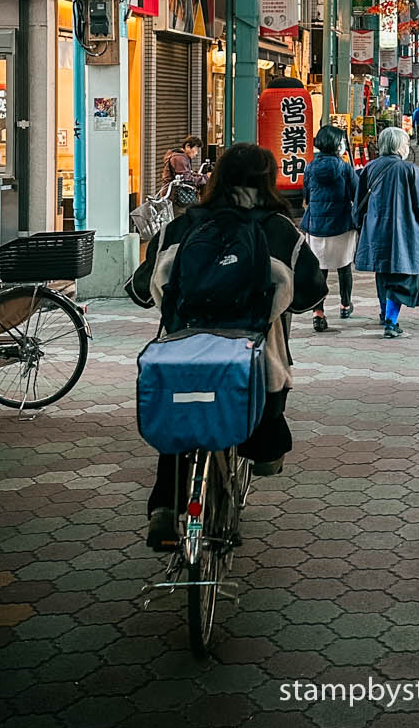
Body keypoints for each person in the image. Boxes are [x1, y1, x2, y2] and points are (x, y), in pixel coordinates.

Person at [133, 142, 327, 550]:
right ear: (267, 181)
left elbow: (139, 288)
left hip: (183, 354)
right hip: (254, 359)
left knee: (182, 428)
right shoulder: (279, 230)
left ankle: (165, 510)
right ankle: (260, 455)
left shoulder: (184, 226)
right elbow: (311, 292)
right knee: (261, 426)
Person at [354, 126, 419, 338]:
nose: (407, 147)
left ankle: (384, 312)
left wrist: (360, 226)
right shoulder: (409, 170)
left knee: (383, 273)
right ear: (398, 146)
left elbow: (359, 202)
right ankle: (390, 321)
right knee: (402, 276)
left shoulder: (370, 168)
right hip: (404, 233)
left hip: (375, 230)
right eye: (406, 143)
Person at [301, 125, 359, 331]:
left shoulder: (310, 168)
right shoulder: (344, 168)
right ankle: (345, 305)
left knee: (319, 270)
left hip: (316, 226)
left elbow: (307, 196)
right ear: (336, 144)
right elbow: (356, 194)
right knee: (344, 267)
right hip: (341, 224)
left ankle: (318, 312)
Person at [160, 135, 204, 214]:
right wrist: (204, 179)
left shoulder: (182, 157)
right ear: (188, 146)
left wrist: (200, 176)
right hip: (176, 196)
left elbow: (187, 174)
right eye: (196, 149)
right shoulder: (179, 158)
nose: (197, 153)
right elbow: (186, 178)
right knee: (181, 217)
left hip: (176, 195)